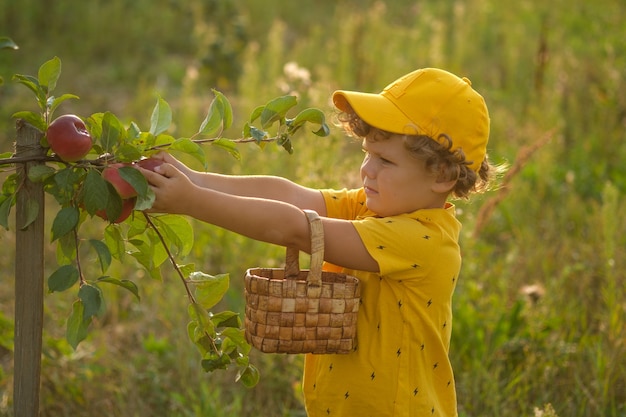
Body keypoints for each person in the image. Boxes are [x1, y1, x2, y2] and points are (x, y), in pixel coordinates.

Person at [139, 67, 499, 416]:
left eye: (386, 161)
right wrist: (194, 179)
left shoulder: (422, 239)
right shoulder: (373, 207)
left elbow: (296, 227)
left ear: (441, 175)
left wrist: (192, 202)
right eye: (367, 153)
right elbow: (292, 196)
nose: (367, 170)